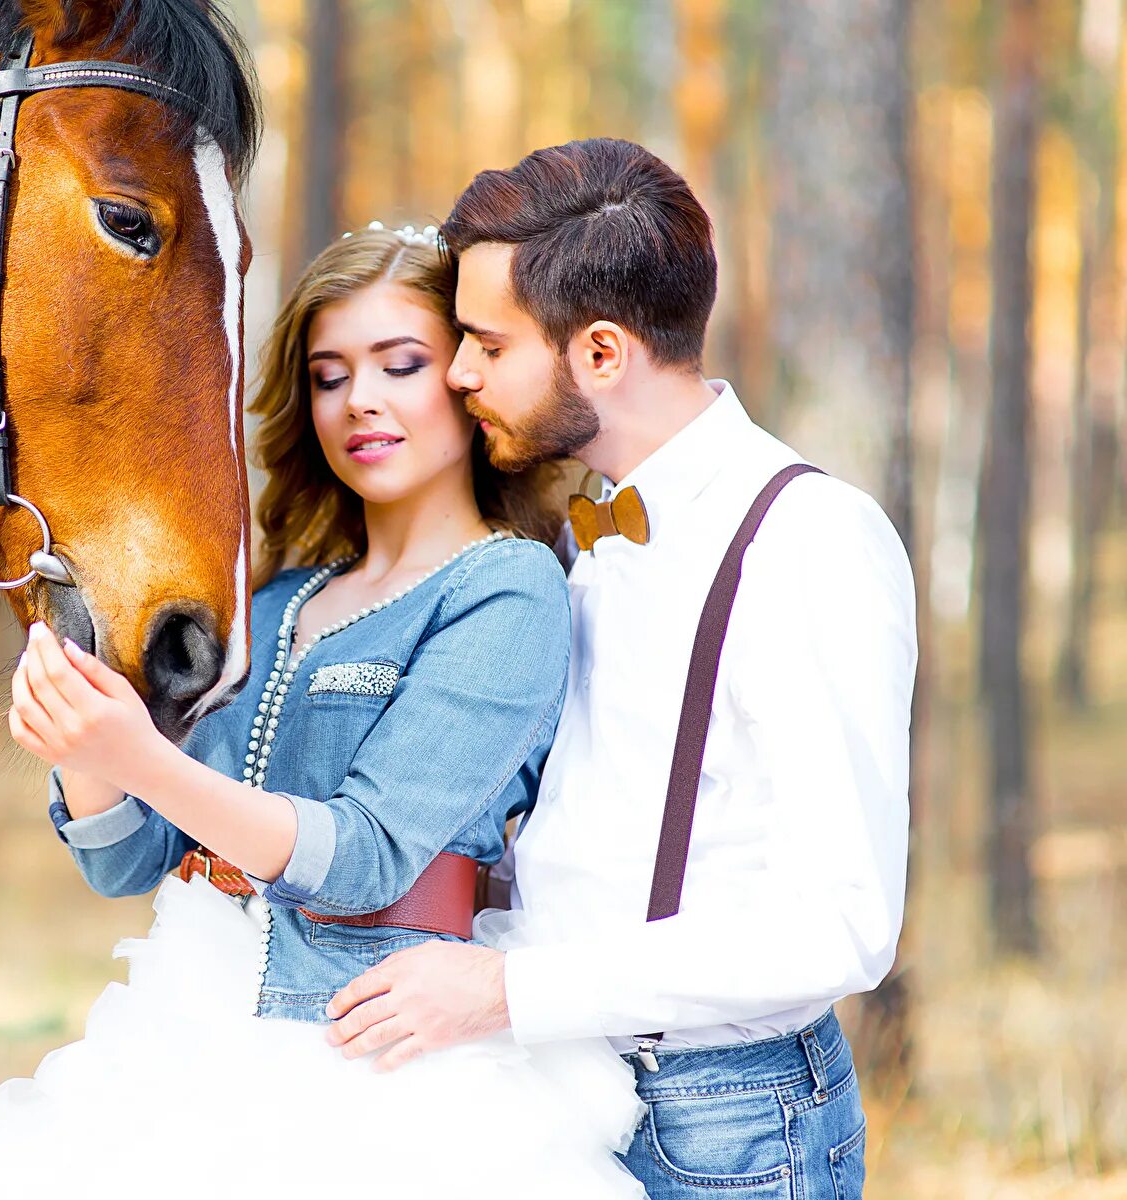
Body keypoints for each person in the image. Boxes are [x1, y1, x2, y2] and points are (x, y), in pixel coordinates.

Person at [0, 225, 647, 1199]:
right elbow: (124, 862)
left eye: (401, 365)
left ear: (467, 381)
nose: (360, 400)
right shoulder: (277, 601)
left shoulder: (504, 590)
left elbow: (364, 858)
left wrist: (140, 758)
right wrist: (79, 737)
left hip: (370, 1056)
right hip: (184, 1022)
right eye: (328, 374)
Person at [325, 139, 917, 1199]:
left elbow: (837, 922)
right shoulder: (557, 540)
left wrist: (512, 991)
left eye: (485, 344)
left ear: (600, 353)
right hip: (550, 1098)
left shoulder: (807, 541)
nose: (458, 374)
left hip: (719, 1125)